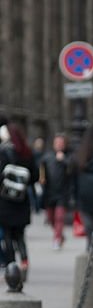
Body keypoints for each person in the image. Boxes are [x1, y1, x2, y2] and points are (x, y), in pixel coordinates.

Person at [0, 119, 38, 278]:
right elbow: (34, 177)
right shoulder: (27, 153)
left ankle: (11, 268)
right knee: (20, 236)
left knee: (7, 236)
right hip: (21, 202)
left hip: (5, 201)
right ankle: (24, 264)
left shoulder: (2, 153)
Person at [40, 133, 73, 249]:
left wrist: (63, 160)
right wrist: (41, 179)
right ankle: (60, 235)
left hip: (62, 193)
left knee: (59, 217)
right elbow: (41, 168)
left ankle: (57, 239)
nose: (59, 145)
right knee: (51, 218)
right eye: (57, 143)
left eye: (61, 143)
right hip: (49, 192)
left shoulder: (68, 156)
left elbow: (73, 169)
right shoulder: (48, 156)